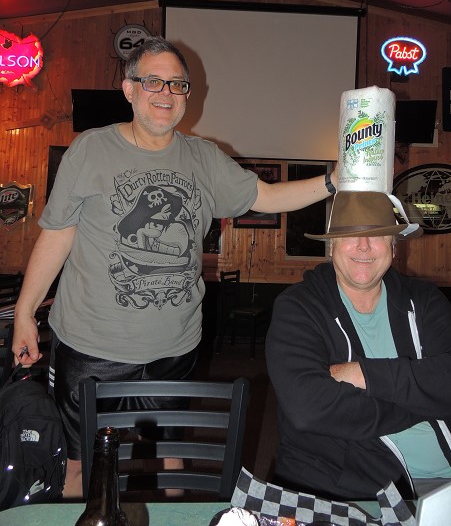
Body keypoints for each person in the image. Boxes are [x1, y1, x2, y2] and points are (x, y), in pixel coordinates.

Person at [12, 35, 338, 498]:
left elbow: (266, 196)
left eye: (177, 84)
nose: (166, 93)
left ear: (187, 94)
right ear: (129, 89)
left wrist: (333, 181)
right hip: (92, 347)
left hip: (174, 347)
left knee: (169, 459)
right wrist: (25, 313)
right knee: (81, 464)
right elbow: (58, 232)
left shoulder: (203, 157)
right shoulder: (90, 149)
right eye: (153, 81)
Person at [266, 191, 451, 501]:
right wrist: (428, 399)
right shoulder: (298, 307)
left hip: (445, 483)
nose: (364, 246)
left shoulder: (423, 299)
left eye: (378, 235)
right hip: (351, 491)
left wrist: (364, 374)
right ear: (331, 246)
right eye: (350, 235)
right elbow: (308, 409)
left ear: (393, 246)